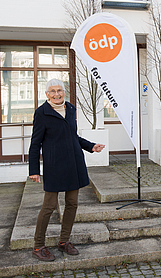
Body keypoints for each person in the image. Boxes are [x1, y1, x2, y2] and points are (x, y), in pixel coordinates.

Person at [28, 79, 105, 261]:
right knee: (49, 207)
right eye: (52, 91)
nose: (57, 94)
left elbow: (73, 136)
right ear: (47, 94)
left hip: (74, 164)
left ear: (64, 92)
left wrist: (91, 146)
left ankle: (64, 241)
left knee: (72, 203)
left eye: (59, 90)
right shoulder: (42, 113)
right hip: (54, 166)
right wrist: (34, 170)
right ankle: (38, 246)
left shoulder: (70, 109)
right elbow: (35, 144)